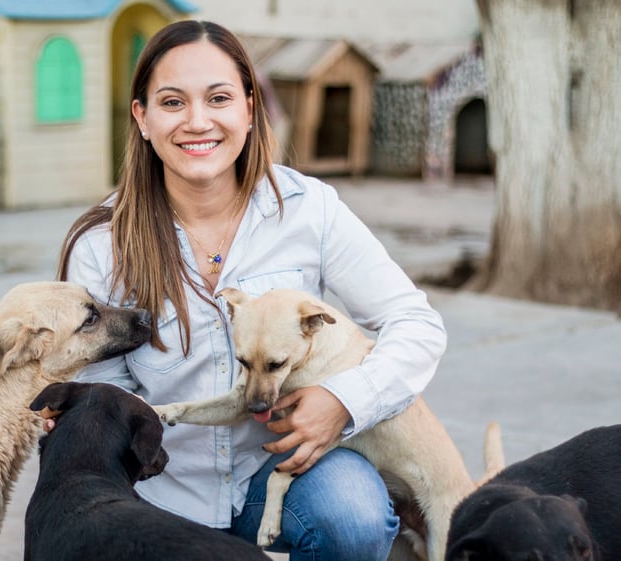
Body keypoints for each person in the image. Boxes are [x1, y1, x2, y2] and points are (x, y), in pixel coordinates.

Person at [49, 20, 447, 561]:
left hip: (282, 472)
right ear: (142, 117)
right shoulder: (100, 244)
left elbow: (416, 324)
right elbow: (98, 398)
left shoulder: (309, 209)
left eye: (218, 98)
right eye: (172, 102)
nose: (197, 121)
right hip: (164, 490)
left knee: (352, 512)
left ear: (249, 108)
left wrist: (342, 402)